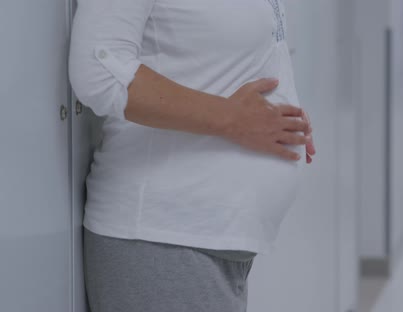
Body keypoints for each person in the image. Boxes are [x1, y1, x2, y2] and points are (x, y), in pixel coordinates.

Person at [68, 0, 316, 311]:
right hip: (162, 235)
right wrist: (234, 118)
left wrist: (278, 121)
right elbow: (98, 69)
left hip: (208, 237)